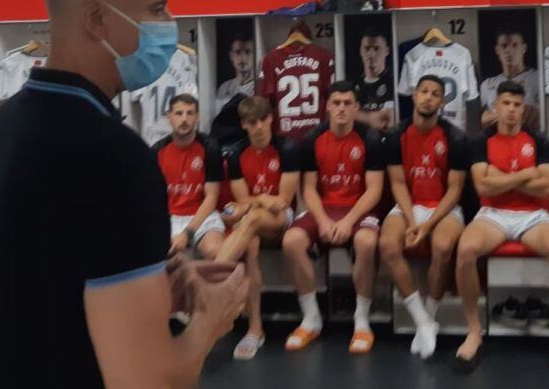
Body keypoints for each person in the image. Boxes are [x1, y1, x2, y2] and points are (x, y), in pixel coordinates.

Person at [0, 0, 247, 389]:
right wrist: (213, 320)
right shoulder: (115, 156)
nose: (169, 22)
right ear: (97, 19)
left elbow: (36, 283)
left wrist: (148, 287)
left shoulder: (3, 126)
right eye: (157, 9)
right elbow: (149, 387)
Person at [453, 80, 549, 371]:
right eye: (506, 103)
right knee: (465, 251)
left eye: (517, 105)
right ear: (496, 106)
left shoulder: (538, 139)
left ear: (523, 109)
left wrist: (500, 177)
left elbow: (547, 188)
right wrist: (525, 174)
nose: (511, 110)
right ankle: (474, 332)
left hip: (532, 215)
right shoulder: (480, 141)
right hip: (493, 213)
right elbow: (483, 186)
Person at [282, 81, 384, 354]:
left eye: (347, 103)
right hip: (325, 208)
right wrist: (324, 221)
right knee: (291, 241)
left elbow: (374, 190)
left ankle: (361, 320)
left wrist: (348, 221)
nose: (341, 109)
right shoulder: (312, 139)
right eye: (336, 103)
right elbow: (308, 189)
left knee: (366, 242)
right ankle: (311, 318)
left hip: (358, 209)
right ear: (327, 106)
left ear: (356, 107)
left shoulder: (370, 138)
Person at [379, 75, 468, 360]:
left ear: (442, 101)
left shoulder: (456, 137)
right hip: (409, 205)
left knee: (442, 247)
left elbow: (454, 190)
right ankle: (422, 321)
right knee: (387, 245)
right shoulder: (396, 134)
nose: (428, 97)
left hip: (444, 208)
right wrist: (412, 221)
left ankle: (430, 316)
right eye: (424, 92)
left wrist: (427, 225)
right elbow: (397, 183)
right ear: (414, 96)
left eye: (435, 93)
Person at [221, 95, 300, 360]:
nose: (258, 127)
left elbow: (283, 201)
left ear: (271, 119)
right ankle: (255, 329)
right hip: (253, 221)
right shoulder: (236, 153)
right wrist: (264, 199)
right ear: (243, 124)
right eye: (252, 122)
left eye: (263, 120)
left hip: (283, 220)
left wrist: (258, 202)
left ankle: (213, 277)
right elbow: (241, 200)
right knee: (250, 246)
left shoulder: (287, 147)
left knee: (251, 219)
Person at [153, 95, 226, 259]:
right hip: (170, 217)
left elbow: (211, 197)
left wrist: (188, 233)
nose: (184, 119)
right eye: (179, 113)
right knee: (164, 253)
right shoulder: (157, 151)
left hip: (202, 215)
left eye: (190, 113)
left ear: (197, 117)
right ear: (169, 117)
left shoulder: (210, 147)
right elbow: (154, 199)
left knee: (214, 250)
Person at [480, 29, 540, 130]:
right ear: (497, 50)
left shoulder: (538, 78)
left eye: (514, 45)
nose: (509, 51)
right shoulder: (487, 84)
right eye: (504, 46)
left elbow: (539, 115)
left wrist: (496, 115)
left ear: (524, 48)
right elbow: (480, 121)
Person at [354, 28, 396, 132]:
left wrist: (357, 115)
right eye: (367, 48)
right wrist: (370, 118)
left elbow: (388, 119)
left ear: (387, 51)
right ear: (360, 51)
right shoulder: (354, 85)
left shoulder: (393, 83)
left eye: (377, 48)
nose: (371, 54)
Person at [215, 33, 255, 112]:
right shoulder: (224, 88)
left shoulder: (259, 86)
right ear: (231, 56)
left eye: (247, 52)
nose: (242, 58)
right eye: (238, 52)